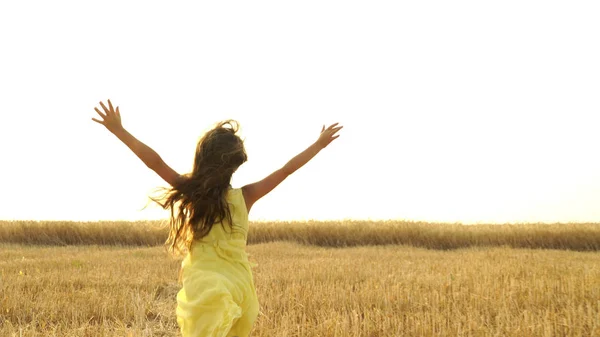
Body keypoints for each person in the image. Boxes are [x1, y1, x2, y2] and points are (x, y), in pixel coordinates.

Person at [92, 99, 343, 336]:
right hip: (237, 285)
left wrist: (119, 131)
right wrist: (318, 145)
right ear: (235, 165)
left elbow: (155, 163)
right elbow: (286, 170)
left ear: (202, 160)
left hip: (207, 284)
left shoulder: (194, 193)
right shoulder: (246, 196)